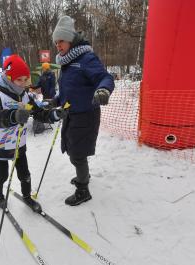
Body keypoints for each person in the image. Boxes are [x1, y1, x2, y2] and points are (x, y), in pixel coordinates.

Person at [0, 54, 66, 212]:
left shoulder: (25, 95)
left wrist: (54, 114)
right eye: (18, 80)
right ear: (9, 77)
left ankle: (27, 197)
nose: (23, 84)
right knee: (2, 174)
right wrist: (13, 116)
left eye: (25, 79)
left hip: (18, 143)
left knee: (25, 174)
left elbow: (38, 112)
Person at [51, 16, 115, 206]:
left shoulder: (86, 58)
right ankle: (83, 174)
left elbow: (105, 77)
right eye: (56, 42)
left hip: (86, 113)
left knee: (77, 153)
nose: (58, 45)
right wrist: (54, 101)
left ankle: (83, 189)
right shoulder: (66, 62)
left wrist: (103, 89)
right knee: (73, 149)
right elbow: (69, 90)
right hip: (71, 113)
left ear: (70, 39)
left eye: (61, 40)